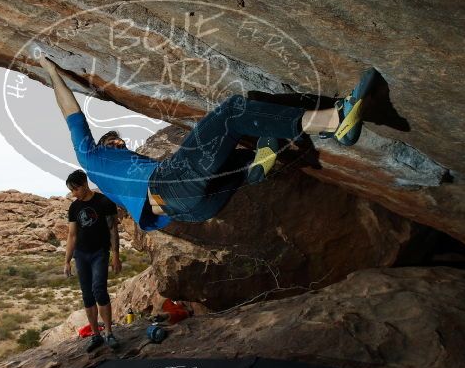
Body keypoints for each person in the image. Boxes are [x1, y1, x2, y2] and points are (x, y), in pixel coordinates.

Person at [39, 54, 379, 229]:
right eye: (112, 140)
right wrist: (51, 72)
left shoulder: (131, 165)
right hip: (172, 188)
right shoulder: (91, 157)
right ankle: (334, 121)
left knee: (241, 133)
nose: (118, 143)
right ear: (100, 143)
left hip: (192, 209)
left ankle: (253, 166)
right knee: (232, 112)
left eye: (119, 141)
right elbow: (72, 113)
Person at [64, 169, 122, 352]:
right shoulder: (74, 207)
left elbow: (113, 231)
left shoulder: (104, 202)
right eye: (71, 190)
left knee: (99, 290)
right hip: (81, 254)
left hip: (100, 252)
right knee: (87, 294)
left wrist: (116, 256)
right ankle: (96, 335)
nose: (73, 194)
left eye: (75, 189)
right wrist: (67, 260)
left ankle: (109, 333)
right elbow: (72, 235)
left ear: (84, 185)